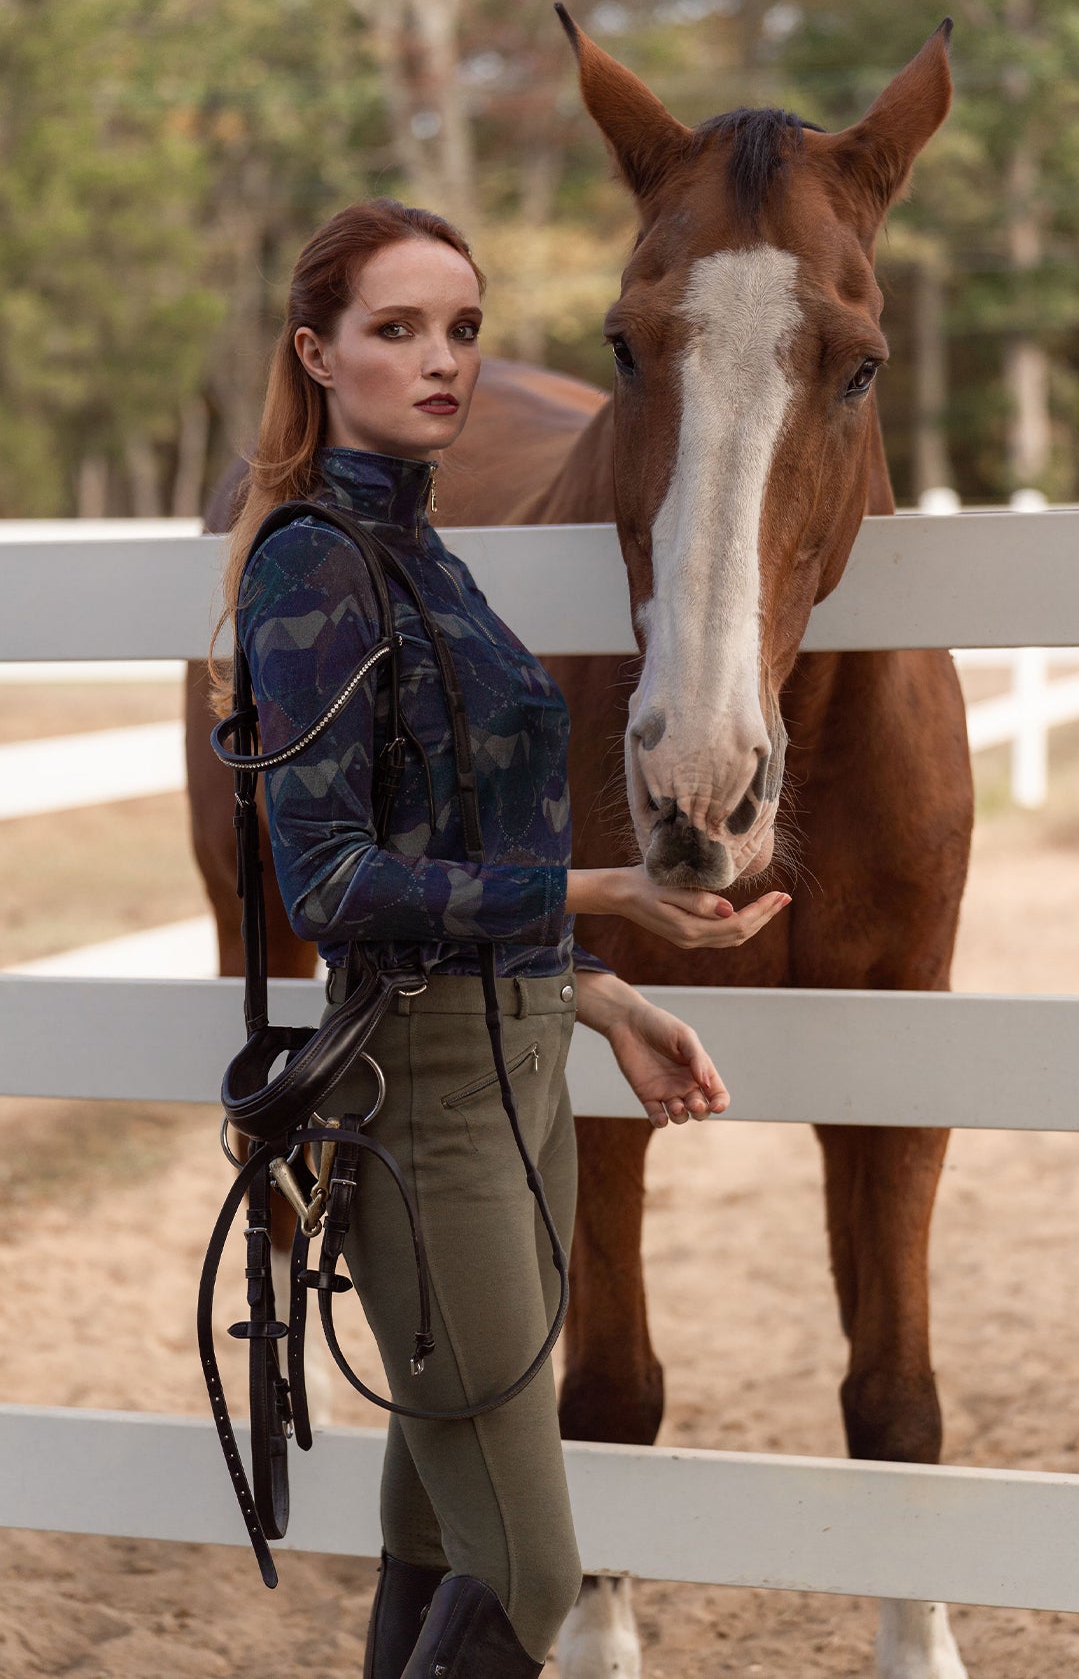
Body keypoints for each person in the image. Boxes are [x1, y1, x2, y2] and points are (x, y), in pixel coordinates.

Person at [216, 197, 791, 1678]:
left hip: (526, 1075)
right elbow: (333, 881)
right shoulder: (312, 566)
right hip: (428, 1099)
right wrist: (603, 897)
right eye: (397, 329)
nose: (443, 360)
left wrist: (600, 999)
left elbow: (458, 850)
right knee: (536, 1567)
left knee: (436, 1528)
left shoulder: (431, 558)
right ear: (317, 352)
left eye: (463, 329)